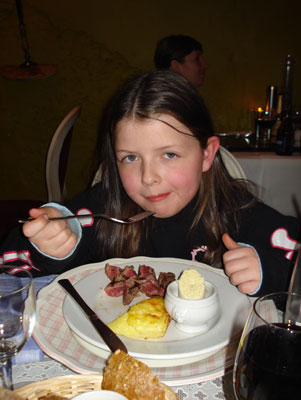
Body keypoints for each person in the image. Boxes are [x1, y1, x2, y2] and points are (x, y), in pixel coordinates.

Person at [0, 70, 299, 297]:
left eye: (169, 154)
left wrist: (270, 272)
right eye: (130, 157)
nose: (148, 178)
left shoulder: (237, 212)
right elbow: (10, 266)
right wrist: (52, 245)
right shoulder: (102, 208)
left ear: (207, 155)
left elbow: (293, 260)